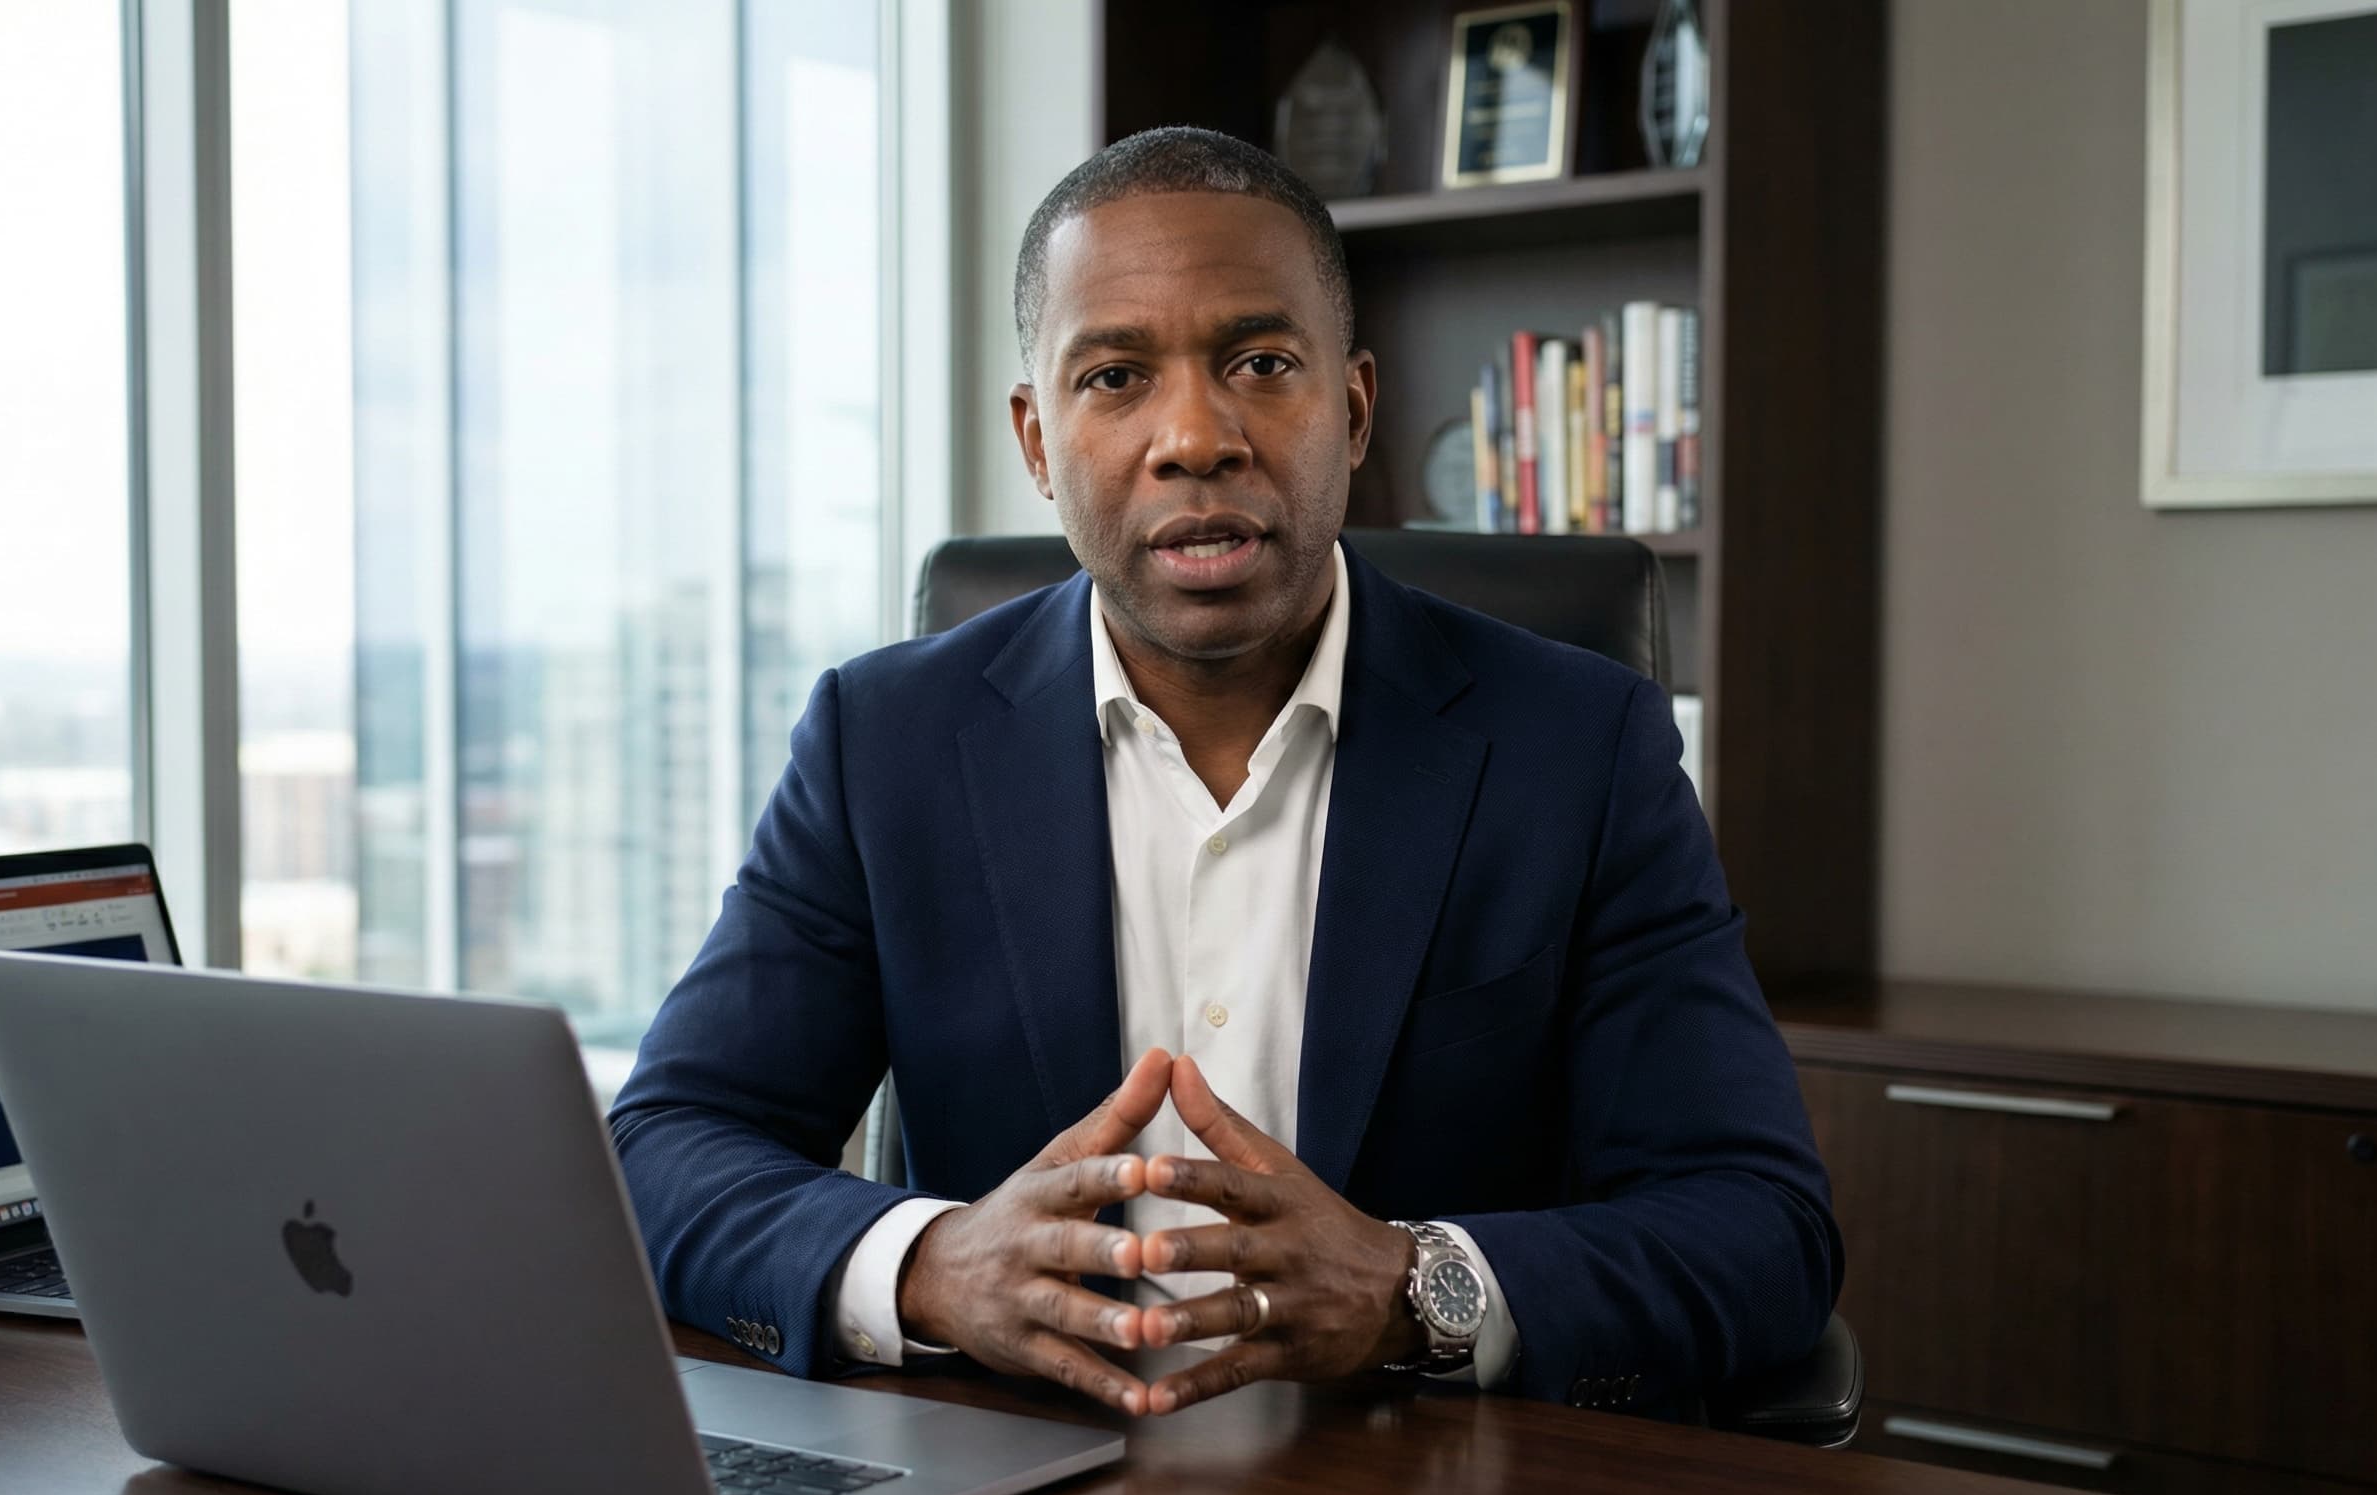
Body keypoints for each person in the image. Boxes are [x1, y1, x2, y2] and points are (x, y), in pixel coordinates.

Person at [611, 126, 1838, 1419]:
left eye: (1259, 363)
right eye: (1115, 377)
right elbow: (668, 1151)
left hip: (1412, 1477)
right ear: (1038, 443)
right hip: (1022, 1476)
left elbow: (1760, 1228)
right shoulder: (885, 742)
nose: (1194, 437)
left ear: (1353, 408)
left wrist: (1414, 1287)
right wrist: (934, 1267)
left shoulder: (1576, 749)